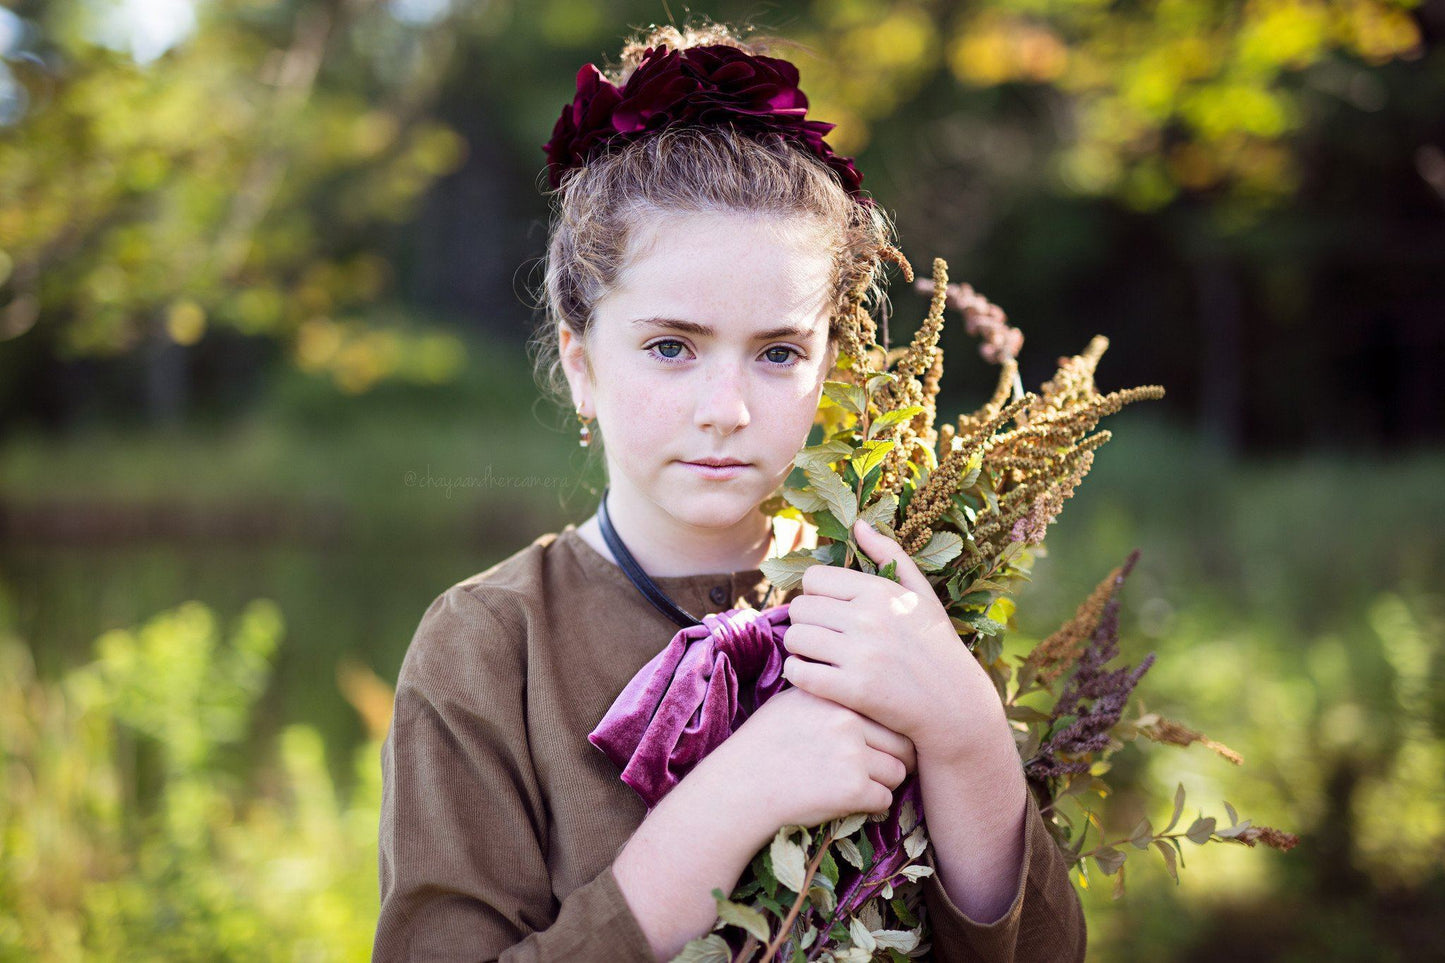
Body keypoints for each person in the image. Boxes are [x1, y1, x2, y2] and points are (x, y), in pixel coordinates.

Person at [373, 18, 1086, 963]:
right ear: (581, 363)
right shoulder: (488, 646)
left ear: (832, 363)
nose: (726, 409)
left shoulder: (894, 606)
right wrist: (727, 801)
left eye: (778, 353)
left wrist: (964, 732)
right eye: (671, 346)